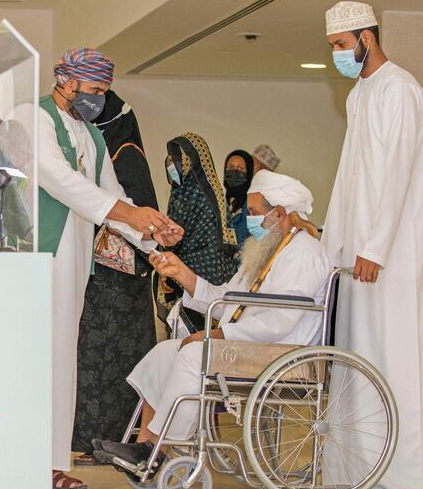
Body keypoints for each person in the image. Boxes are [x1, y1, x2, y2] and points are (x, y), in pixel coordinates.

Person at [93, 171, 330, 466]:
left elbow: (282, 321)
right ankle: (144, 446)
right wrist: (180, 272)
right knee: (166, 352)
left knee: (195, 354)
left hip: (282, 352)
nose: (249, 220)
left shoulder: (304, 253)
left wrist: (220, 336)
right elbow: (225, 301)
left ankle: (161, 450)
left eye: (255, 213)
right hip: (254, 346)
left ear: (279, 213)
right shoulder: (267, 251)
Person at [37, 48, 183, 489]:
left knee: (62, 356)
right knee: (38, 357)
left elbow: (112, 193)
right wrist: (127, 212)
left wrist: (153, 232)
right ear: (67, 80)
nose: (99, 100)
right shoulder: (33, 116)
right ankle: (26, 457)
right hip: (37, 257)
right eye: (95, 90)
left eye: (103, 92)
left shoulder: (90, 134)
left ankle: (51, 461)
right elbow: (56, 177)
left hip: (74, 261)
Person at [321, 1, 423, 489]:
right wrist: (334, 242)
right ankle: (363, 467)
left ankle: (411, 476)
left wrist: (375, 247)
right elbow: (350, 177)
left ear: (366, 38)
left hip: (393, 254)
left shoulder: (400, 89)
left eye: (339, 45)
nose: (337, 55)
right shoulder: (360, 94)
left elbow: (395, 174)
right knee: (360, 357)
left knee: (400, 355)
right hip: (360, 254)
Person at [72, 90, 160, 466]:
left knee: (112, 365)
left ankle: (110, 439)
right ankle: (92, 439)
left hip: (119, 287)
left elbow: (136, 211)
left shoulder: (126, 155)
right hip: (102, 282)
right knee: (92, 362)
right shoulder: (100, 153)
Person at [155, 134, 238, 331]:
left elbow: (185, 234)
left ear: (191, 161)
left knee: (200, 336)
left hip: (208, 270)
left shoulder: (206, 194)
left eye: (176, 161)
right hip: (184, 268)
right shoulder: (180, 191)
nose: (172, 167)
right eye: (169, 162)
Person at [224, 149, 255, 249]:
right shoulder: (220, 199)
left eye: (241, 168)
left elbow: (242, 239)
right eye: (230, 167)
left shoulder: (252, 204)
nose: (234, 172)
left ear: (249, 174)